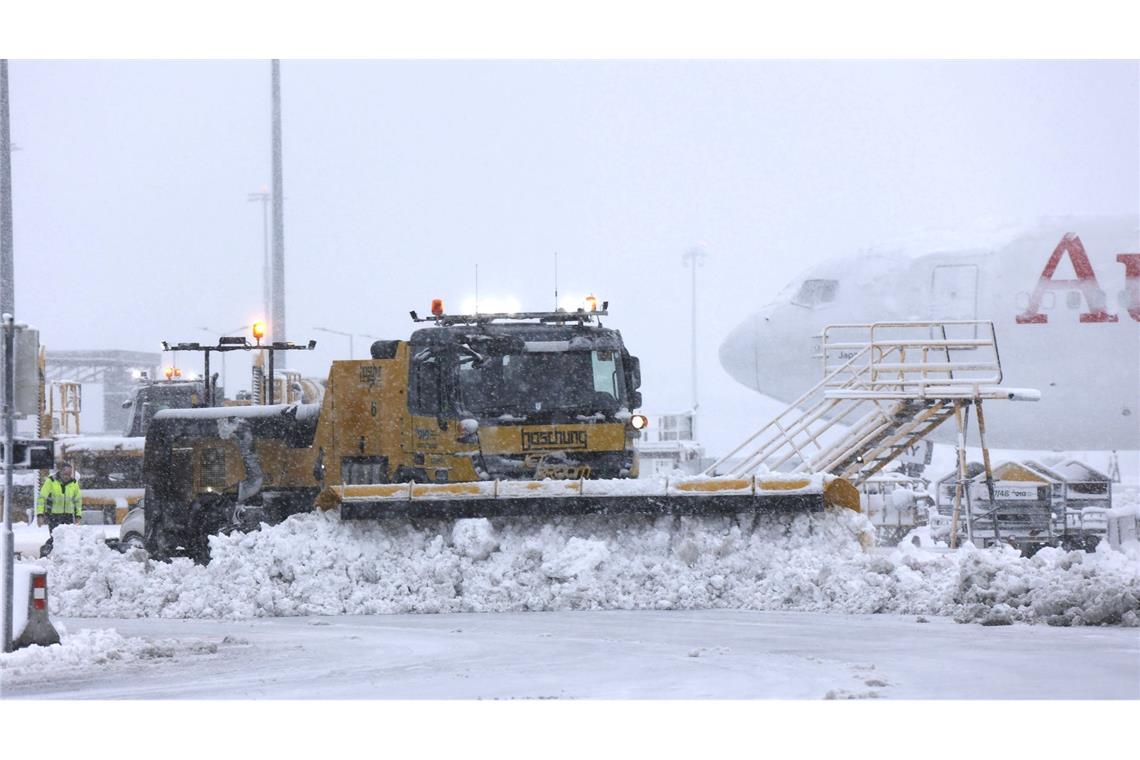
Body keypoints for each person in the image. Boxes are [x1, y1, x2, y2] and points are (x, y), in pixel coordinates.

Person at [37, 462, 83, 530]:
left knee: (67, 538)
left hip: (68, 516)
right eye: (65, 474)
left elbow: (78, 501)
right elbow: (41, 498)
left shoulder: (74, 483)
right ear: (60, 472)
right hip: (53, 516)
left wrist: (78, 516)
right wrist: (40, 515)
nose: (67, 476)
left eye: (69, 474)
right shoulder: (51, 481)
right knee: (55, 538)